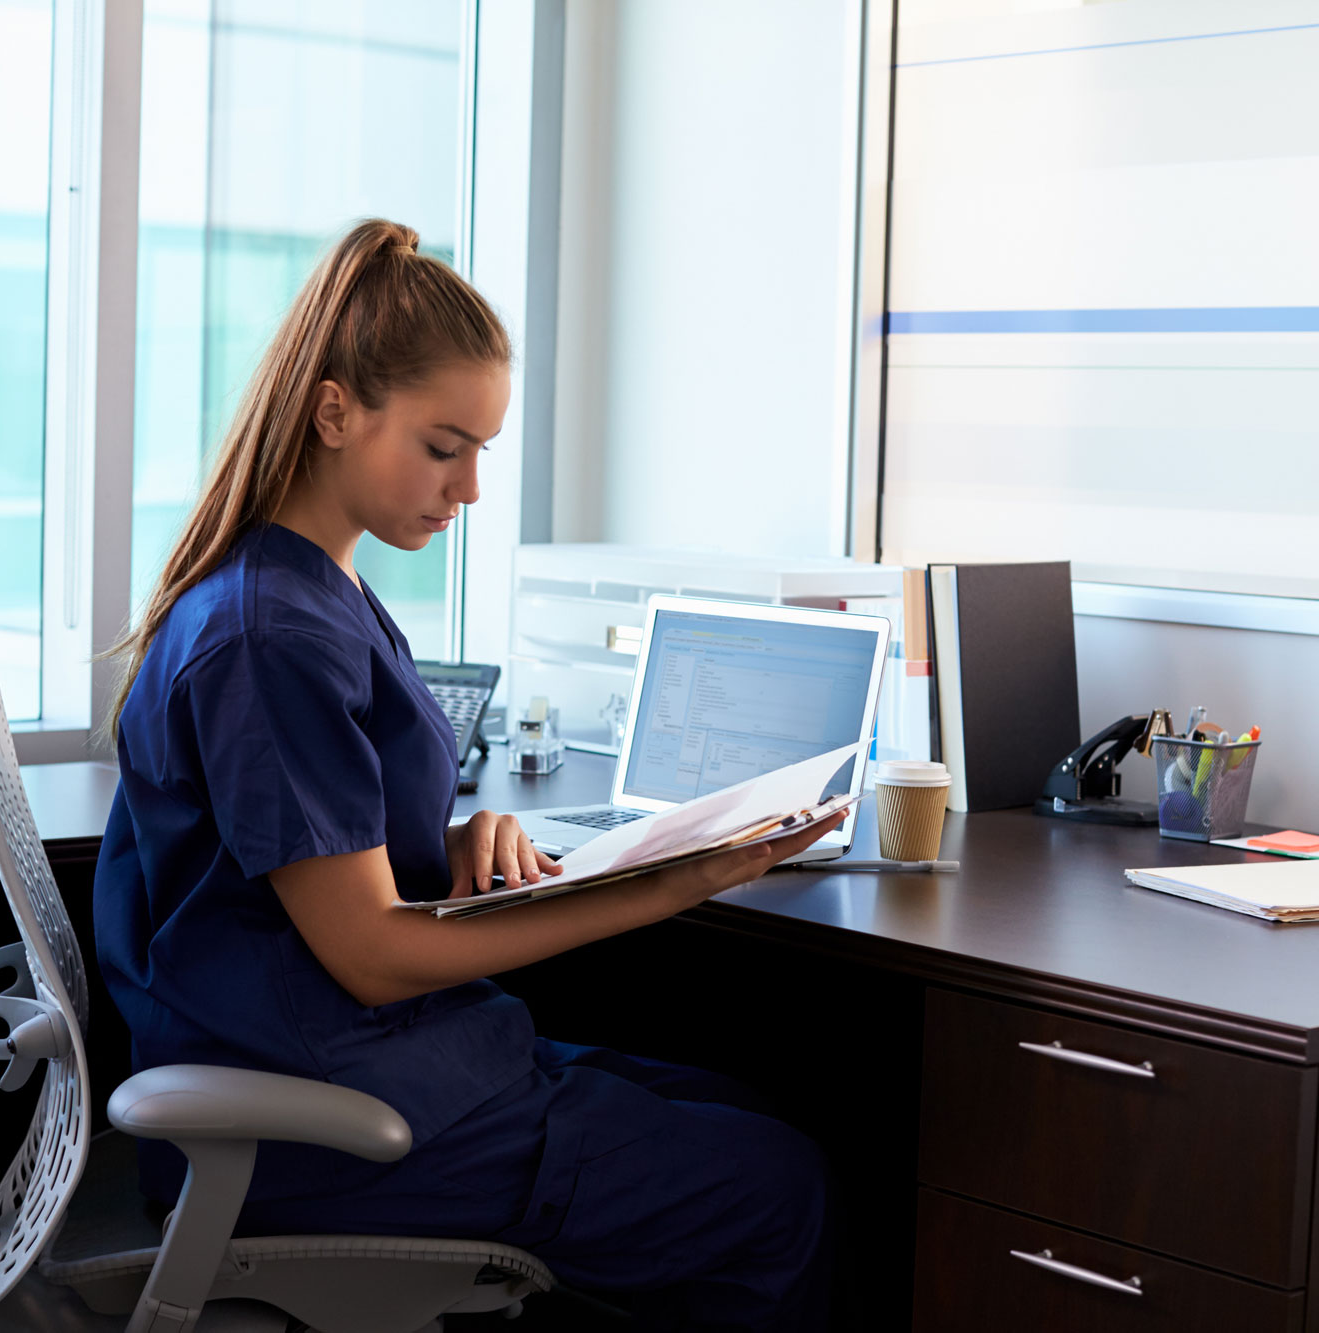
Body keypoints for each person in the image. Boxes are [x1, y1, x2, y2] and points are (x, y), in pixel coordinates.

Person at [93, 218, 838, 1331]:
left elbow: (287, 860)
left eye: (480, 451)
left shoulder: (310, 591)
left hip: (363, 1065)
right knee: (780, 1189)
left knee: (747, 1111)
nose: (470, 489)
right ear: (336, 411)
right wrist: (667, 884)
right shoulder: (271, 634)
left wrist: (452, 841)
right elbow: (372, 952)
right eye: (445, 447)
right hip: (327, 1121)